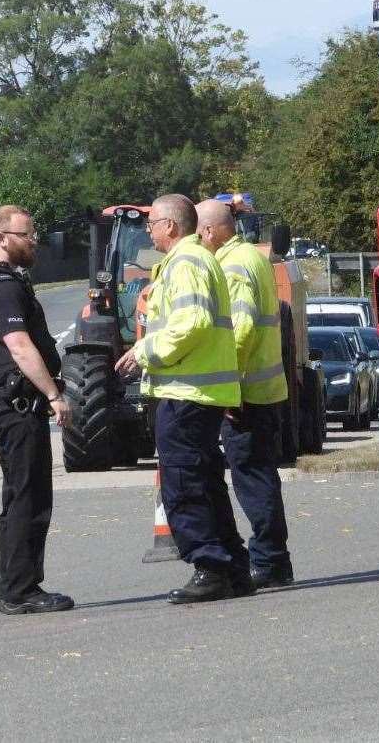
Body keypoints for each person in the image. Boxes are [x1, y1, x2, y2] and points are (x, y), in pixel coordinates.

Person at [113, 193, 249, 604]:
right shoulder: (192, 261)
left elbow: (192, 322)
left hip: (185, 393)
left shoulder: (186, 263)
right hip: (198, 392)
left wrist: (144, 351)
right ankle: (231, 567)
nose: (149, 230)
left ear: (171, 226)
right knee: (206, 480)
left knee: (185, 482)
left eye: (152, 222)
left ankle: (208, 564)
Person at [0, 204, 74, 616]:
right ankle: (20, 590)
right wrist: (53, 394)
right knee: (28, 497)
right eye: (25, 235)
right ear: (0, 238)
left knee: (20, 496)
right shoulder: (3, 285)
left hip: (6, 400)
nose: (33, 242)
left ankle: (19, 586)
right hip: (16, 402)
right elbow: (19, 345)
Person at [195, 199, 294, 589]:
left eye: (198, 232)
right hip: (264, 386)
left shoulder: (232, 266)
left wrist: (230, 385)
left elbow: (243, 328)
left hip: (247, 391)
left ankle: (269, 562)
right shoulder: (252, 257)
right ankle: (274, 560)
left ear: (210, 231)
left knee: (252, 477)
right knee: (260, 474)